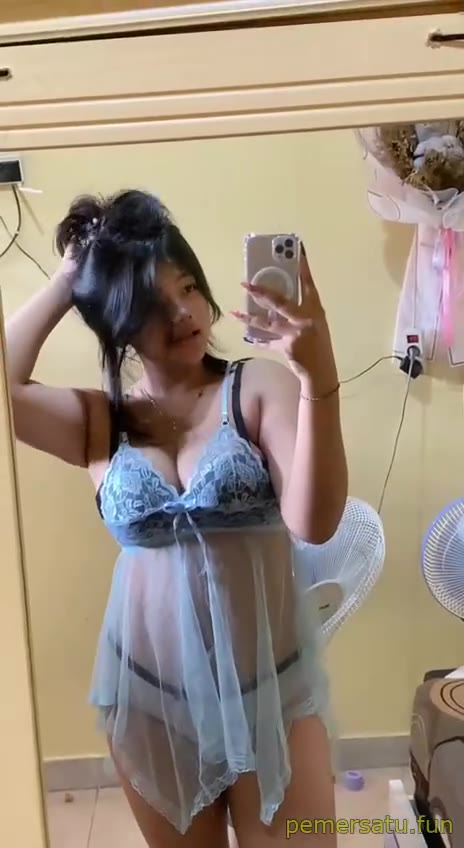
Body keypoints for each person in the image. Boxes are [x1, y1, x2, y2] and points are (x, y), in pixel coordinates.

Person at [6, 190, 347, 848]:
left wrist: (318, 374)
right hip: (149, 702)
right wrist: (70, 279)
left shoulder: (257, 387)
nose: (184, 313)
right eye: (152, 304)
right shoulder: (99, 421)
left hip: (271, 696)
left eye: (187, 287)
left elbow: (314, 522)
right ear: (116, 324)